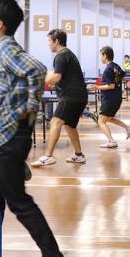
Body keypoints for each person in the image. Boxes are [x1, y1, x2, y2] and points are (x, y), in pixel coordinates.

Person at [0, 0, 62, 257]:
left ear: (0, 24)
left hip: (9, 138)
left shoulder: (7, 50)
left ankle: (53, 254)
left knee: (18, 201)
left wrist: (26, 108)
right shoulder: (0, 51)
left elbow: (37, 70)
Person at [31, 29, 88, 167]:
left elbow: (56, 77)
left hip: (71, 96)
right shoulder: (68, 54)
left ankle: (48, 156)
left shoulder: (61, 56)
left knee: (55, 122)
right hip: (79, 96)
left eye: (50, 41)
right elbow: (62, 77)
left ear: (56, 41)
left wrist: (39, 81)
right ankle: (79, 155)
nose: (48, 44)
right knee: (69, 125)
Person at [88, 46, 130, 148]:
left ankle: (111, 141)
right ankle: (128, 128)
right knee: (109, 118)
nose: (100, 57)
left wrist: (96, 87)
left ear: (105, 55)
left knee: (101, 121)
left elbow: (111, 85)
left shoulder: (108, 69)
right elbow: (122, 75)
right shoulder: (116, 66)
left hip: (110, 98)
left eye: (101, 55)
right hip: (116, 97)